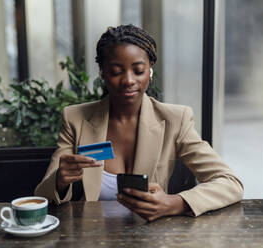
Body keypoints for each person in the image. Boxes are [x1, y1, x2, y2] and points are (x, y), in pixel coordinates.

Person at [35, 24, 243, 221]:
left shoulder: (174, 120)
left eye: (138, 70)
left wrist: (175, 203)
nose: (128, 80)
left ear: (150, 70)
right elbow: (42, 195)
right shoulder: (76, 118)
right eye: (116, 71)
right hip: (91, 233)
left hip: (152, 231)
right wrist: (60, 180)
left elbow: (230, 183)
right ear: (103, 73)